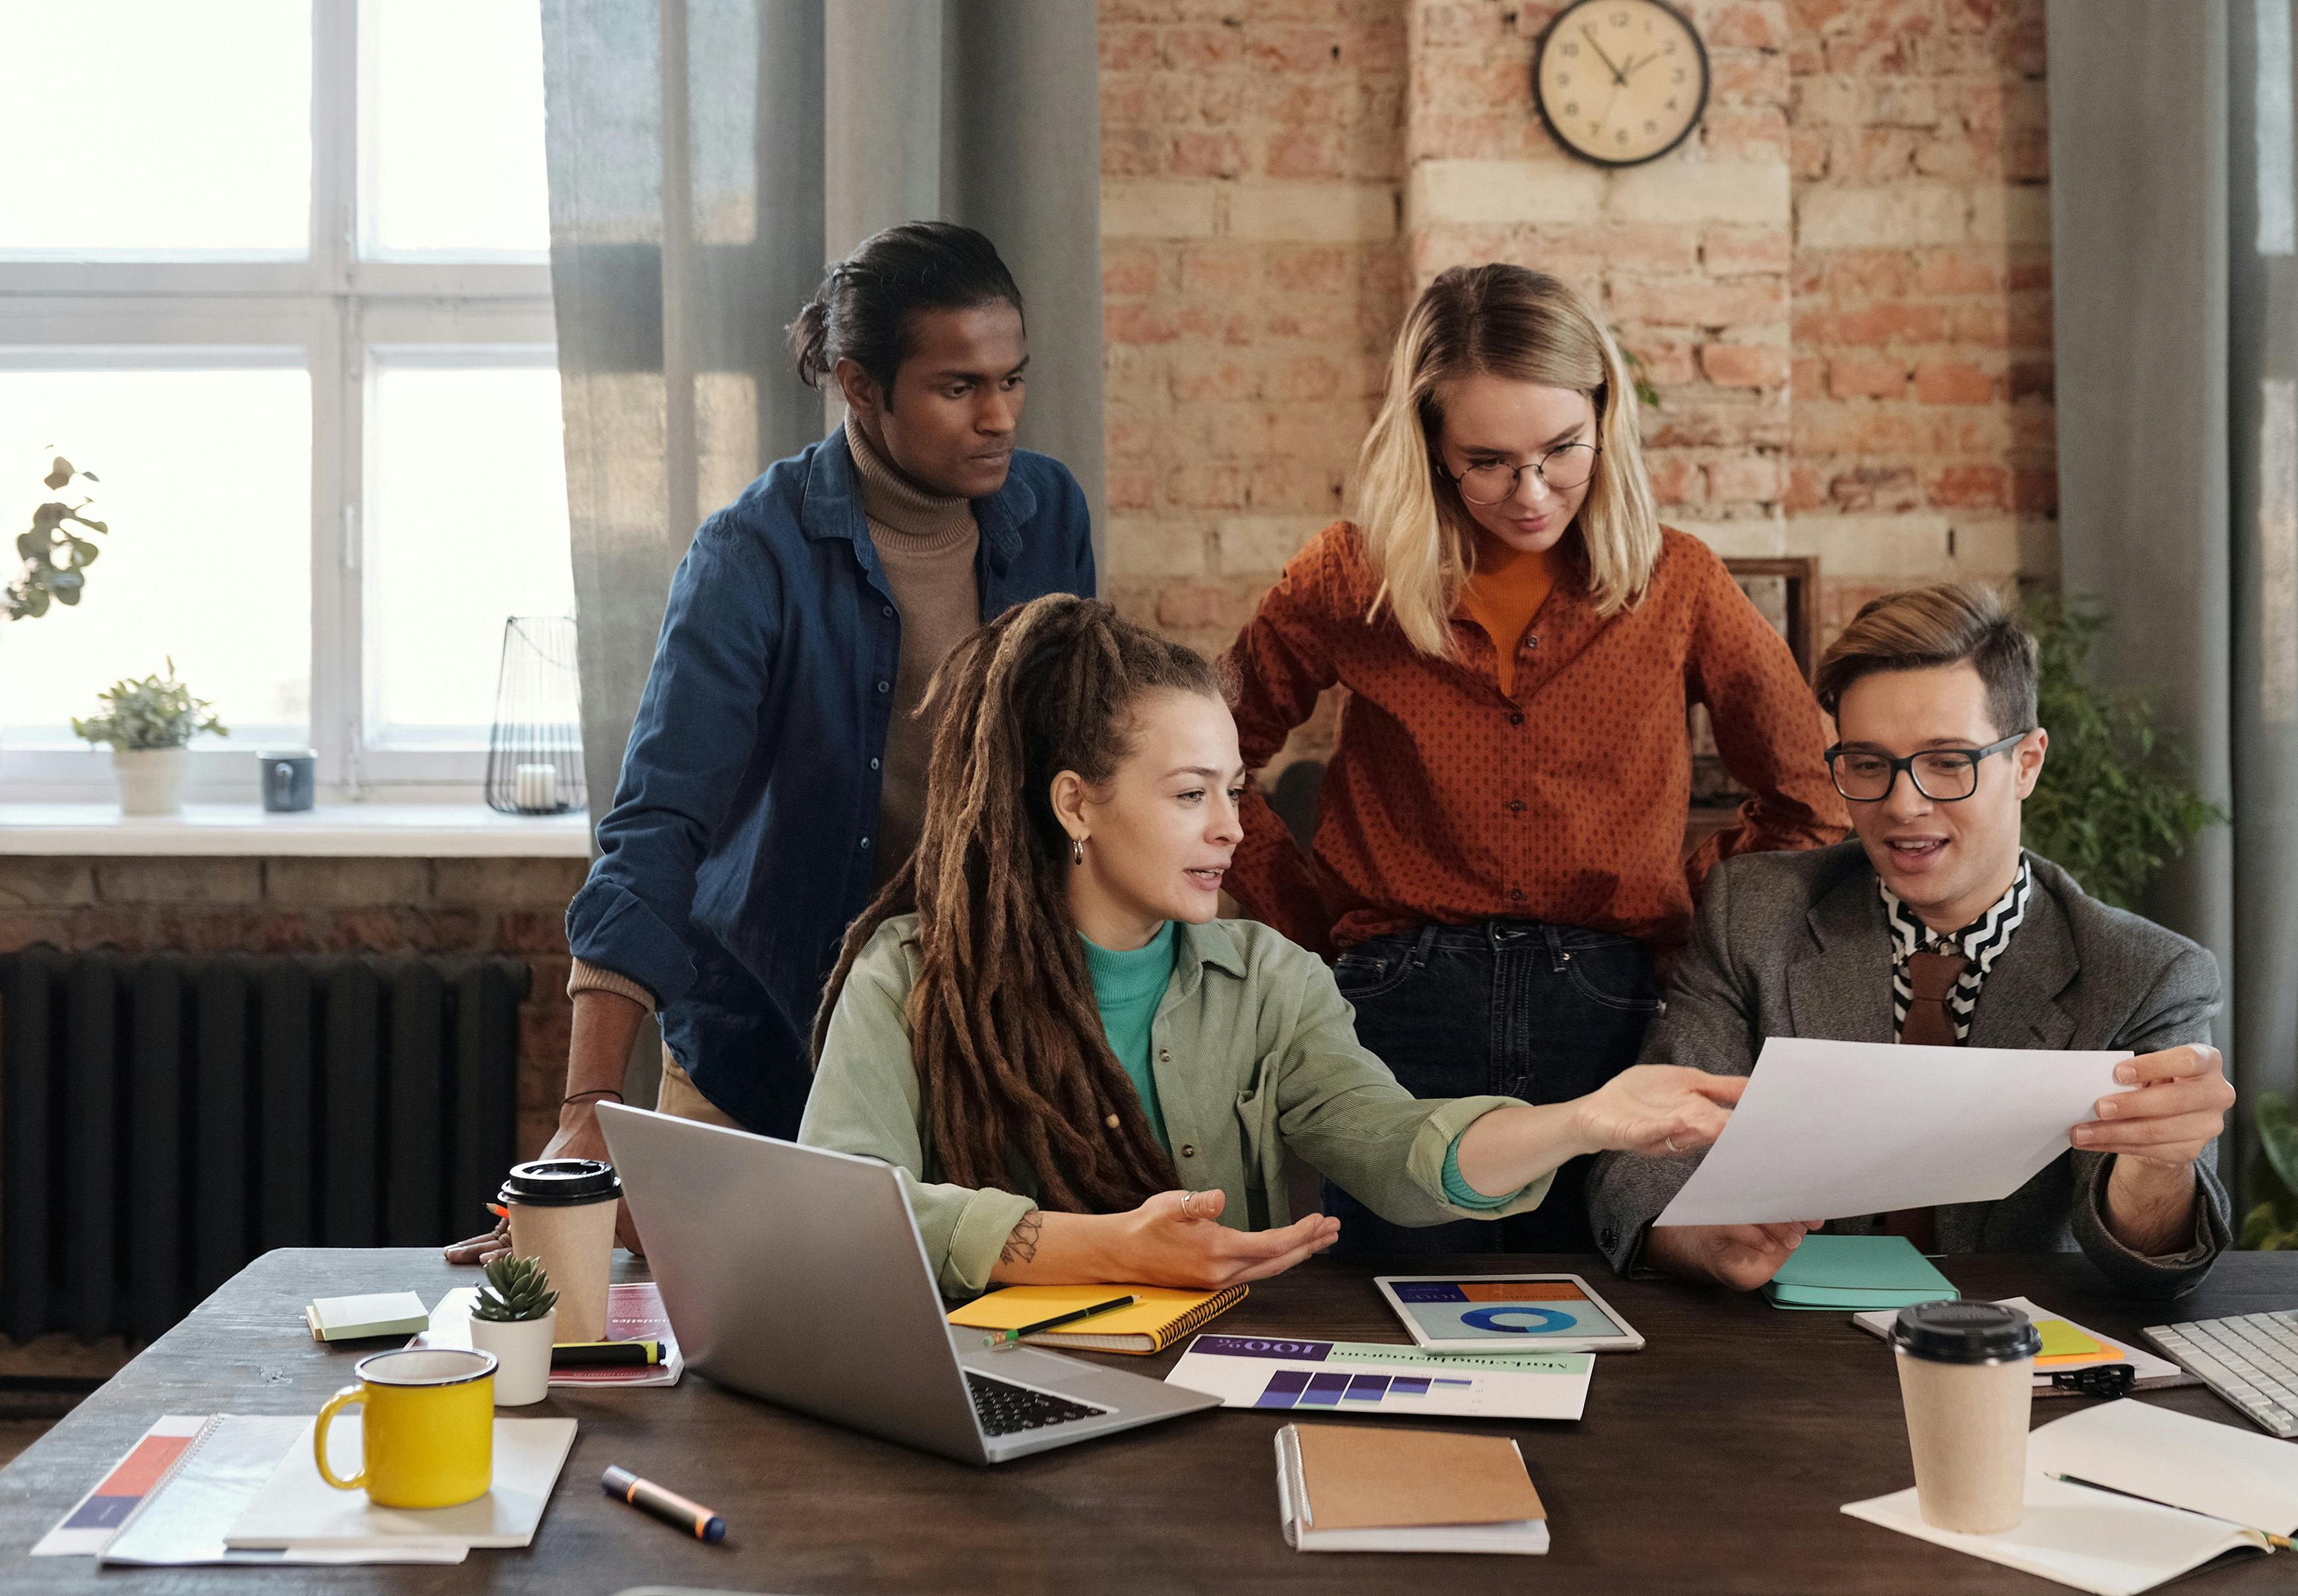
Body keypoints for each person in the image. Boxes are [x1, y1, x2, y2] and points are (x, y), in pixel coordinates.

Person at [448, 223, 1092, 1266]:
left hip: (977, 1057)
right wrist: (587, 1110)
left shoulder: (1048, 510)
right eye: (960, 386)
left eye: (1013, 379)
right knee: (724, 1397)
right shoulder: (751, 553)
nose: (1002, 416)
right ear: (859, 385)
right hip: (764, 1054)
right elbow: (658, 825)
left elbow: (1076, 775)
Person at [801, 597, 1745, 1293]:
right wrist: (1100, 1248)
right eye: (1188, 793)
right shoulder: (910, 975)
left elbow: (1396, 1148)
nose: (1232, 828)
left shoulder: (1273, 982)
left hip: (1213, 1403)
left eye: (1234, 788)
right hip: (988, 1396)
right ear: (1076, 802)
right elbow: (841, 1209)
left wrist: (1584, 1120)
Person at [1220, 263, 1846, 1256]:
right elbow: (1213, 762)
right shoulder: (1348, 579)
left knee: (1613, 1316)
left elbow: (1813, 798)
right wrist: (1307, 929)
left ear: (1606, 414)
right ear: (1429, 441)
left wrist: (1681, 900)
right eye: (1488, 459)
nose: (1531, 491)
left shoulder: (1678, 582)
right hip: (1394, 1007)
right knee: (1395, 1318)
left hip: (1606, 1008)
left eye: (1562, 450)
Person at [1587, 583, 2237, 1298]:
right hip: (1784, 1355)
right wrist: (1693, 1237)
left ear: (2025, 763)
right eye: (1867, 764)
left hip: (2012, 1357)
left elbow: (2147, 1262)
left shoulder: (2146, 972)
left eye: (1947, 762)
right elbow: (1641, 1157)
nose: (1903, 804)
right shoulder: (1753, 912)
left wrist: (2160, 1164)